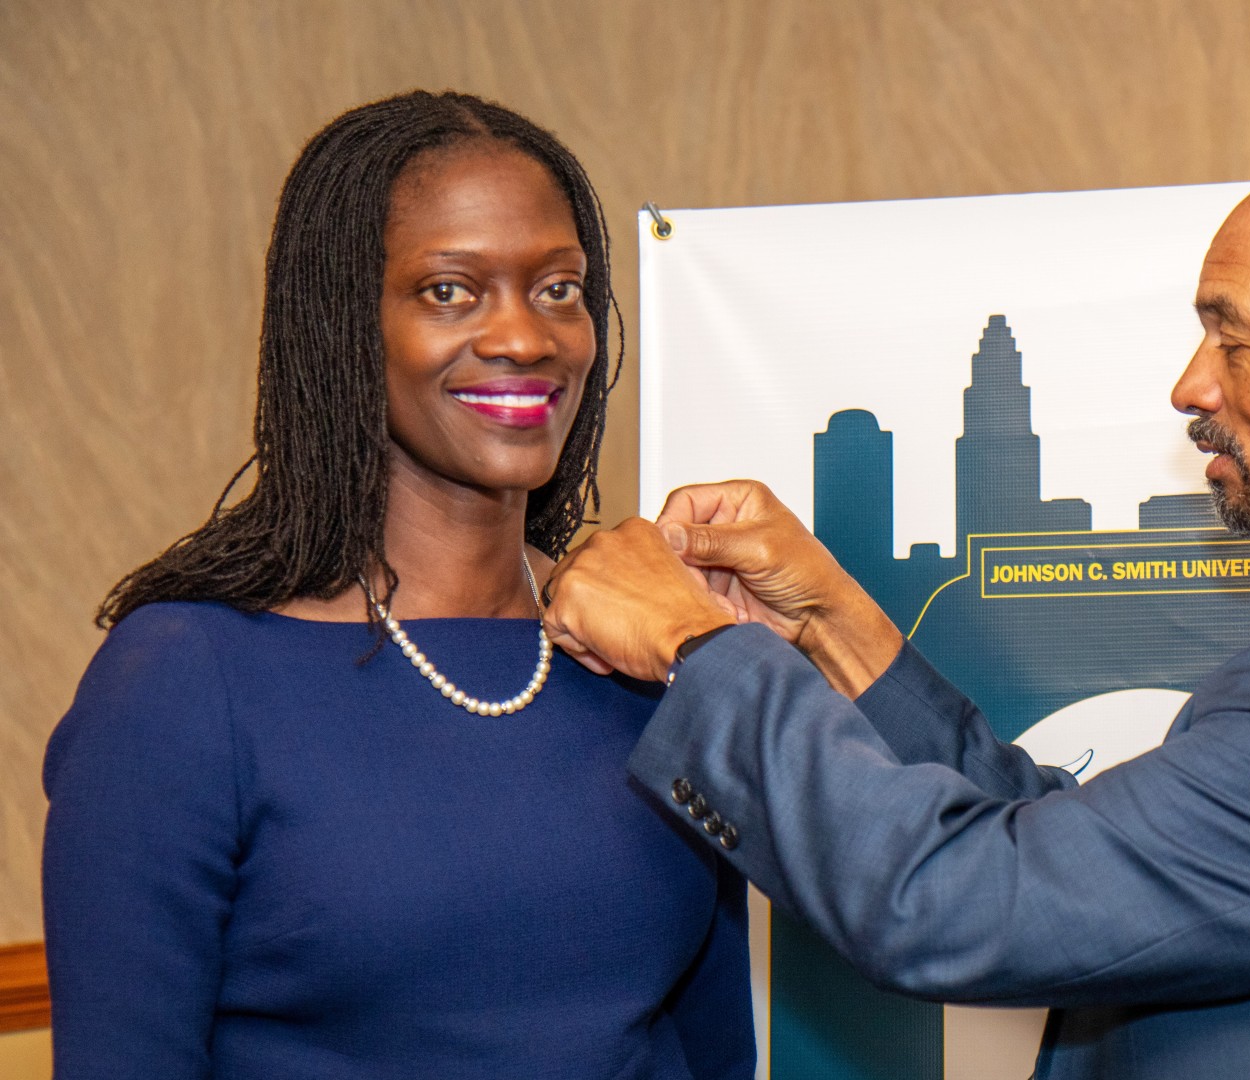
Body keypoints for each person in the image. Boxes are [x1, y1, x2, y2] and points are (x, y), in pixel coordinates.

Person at [542, 142, 1250, 1079]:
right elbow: (1067, 852)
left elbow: (962, 900)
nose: (1192, 385)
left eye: (1233, 339)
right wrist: (826, 617)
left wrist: (695, 642)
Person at [41, 91, 753, 1080]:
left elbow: (712, 1050)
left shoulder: (645, 648)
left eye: (558, 287)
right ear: (343, 324)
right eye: (451, 291)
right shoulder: (185, 682)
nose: (525, 337)